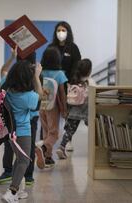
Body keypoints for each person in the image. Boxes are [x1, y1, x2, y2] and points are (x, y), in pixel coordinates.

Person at [0, 48, 43, 203]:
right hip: (23, 132)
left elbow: (3, 70)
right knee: (24, 161)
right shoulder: (27, 97)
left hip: (11, 131)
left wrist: (12, 57)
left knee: (19, 160)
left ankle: (16, 189)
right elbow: (40, 96)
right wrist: (37, 77)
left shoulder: (7, 90)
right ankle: (11, 193)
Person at [50, 21, 81, 151]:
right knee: (51, 113)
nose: (61, 33)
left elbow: (77, 66)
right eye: (58, 30)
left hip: (68, 85)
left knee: (68, 114)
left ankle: (67, 141)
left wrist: (72, 82)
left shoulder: (73, 48)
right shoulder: (51, 47)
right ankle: (48, 139)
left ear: (68, 32)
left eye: (63, 30)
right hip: (53, 85)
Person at [36, 46, 68, 168]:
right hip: (53, 107)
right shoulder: (60, 74)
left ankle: (48, 158)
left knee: (46, 131)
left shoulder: (41, 72)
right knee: (54, 133)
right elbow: (62, 93)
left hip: (41, 105)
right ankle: (43, 147)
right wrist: (64, 109)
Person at [56, 59, 95, 159]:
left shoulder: (74, 81)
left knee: (69, 131)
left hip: (74, 111)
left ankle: (61, 147)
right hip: (87, 112)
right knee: (94, 129)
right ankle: (96, 147)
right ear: (89, 70)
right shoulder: (90, 82)